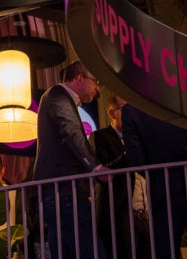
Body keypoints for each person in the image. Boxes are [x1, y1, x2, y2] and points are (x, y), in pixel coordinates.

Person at [122, 104, 187, 259]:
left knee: (166, 248)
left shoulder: (132, 110)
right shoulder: (183, 96)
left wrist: (156, 173)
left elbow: (136, 161)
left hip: (163, 186)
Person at [33, 61, 108, 258]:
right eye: (95, 81)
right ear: (79, 78)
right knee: (92, 252)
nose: (97, 89)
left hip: (59, 192)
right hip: (64, 192)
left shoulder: (56, 97)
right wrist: (95, 167)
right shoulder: (57, 95)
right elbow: (71, 131)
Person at [91, 95, 137, 258]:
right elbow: (103, 171)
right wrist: (130, 153)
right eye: (127, 110)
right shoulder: (100, 137)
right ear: (112, 113)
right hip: (116, 214)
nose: (133, 114)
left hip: (143, 214)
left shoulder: (138, 137)